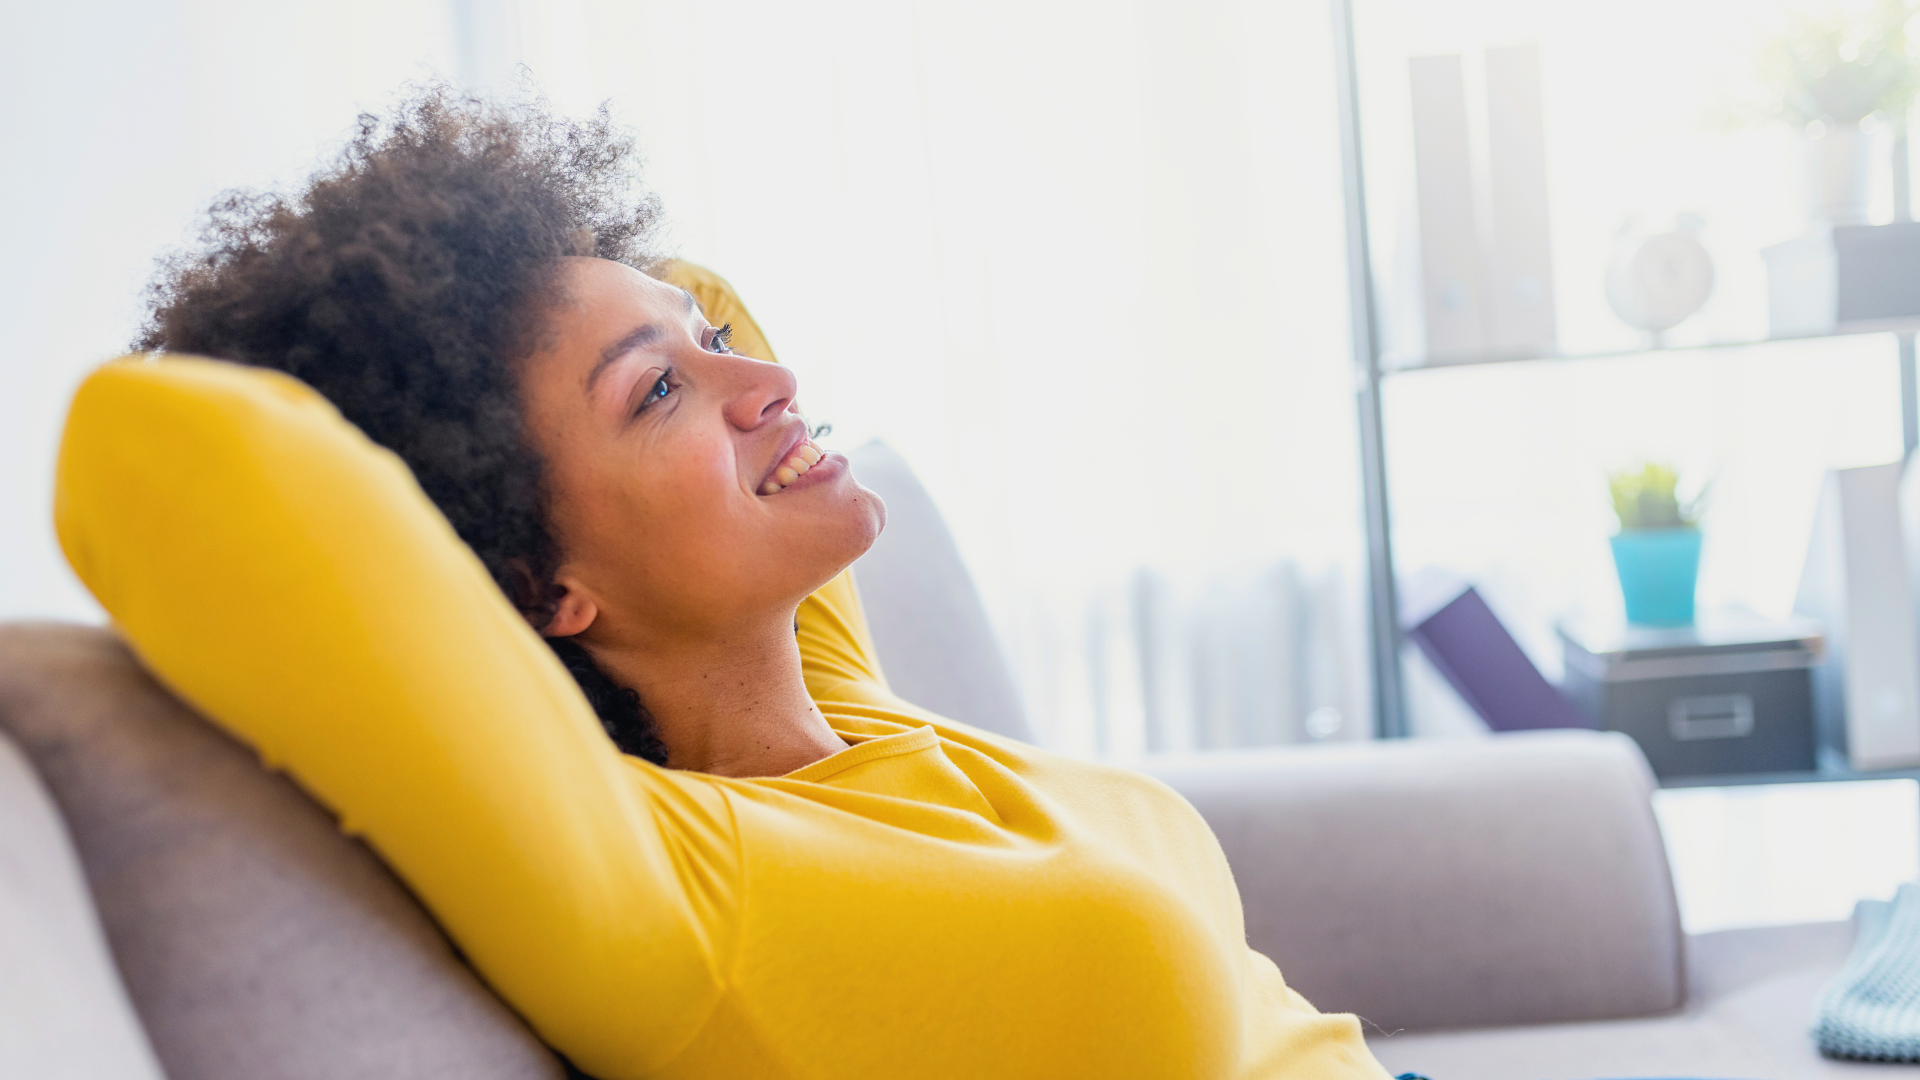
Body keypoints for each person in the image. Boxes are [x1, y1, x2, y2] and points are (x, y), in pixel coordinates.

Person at [68, 87, 1392, 1079]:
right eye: (661, 393)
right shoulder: (671, 891)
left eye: (708, 354)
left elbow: (708, 289)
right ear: (539, 586)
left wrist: (619, 317)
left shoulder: (837, 707)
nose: (765, 387)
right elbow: (167, 456)